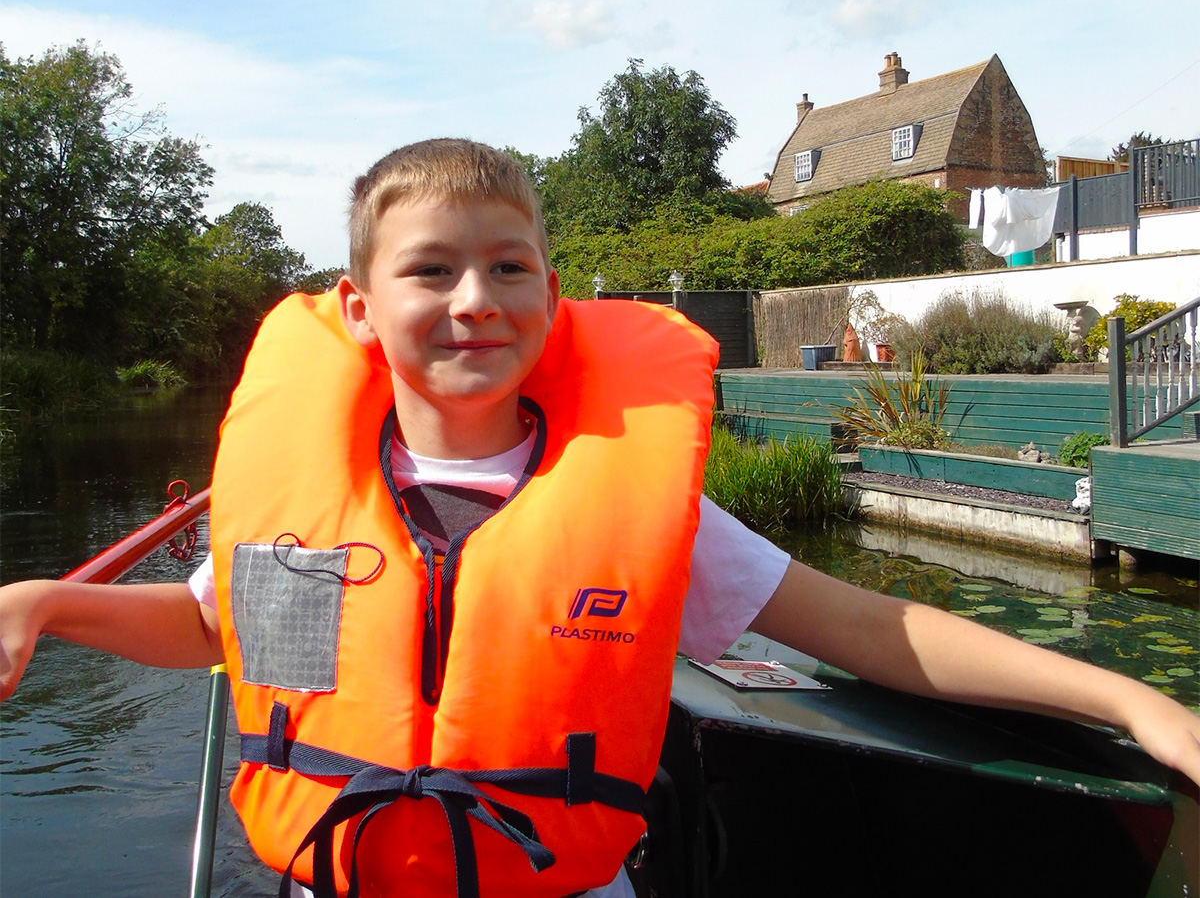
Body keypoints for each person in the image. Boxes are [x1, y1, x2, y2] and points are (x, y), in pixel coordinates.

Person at [2, 139, 1197, 898]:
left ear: (551, 297)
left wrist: (1133, 700)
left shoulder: (639, 508)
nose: (475, 301)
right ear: (361, 311)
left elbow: (874, 631)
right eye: (430, 272)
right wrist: (47, 603)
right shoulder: (305, 498)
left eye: (509, 267)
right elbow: (215, 627)